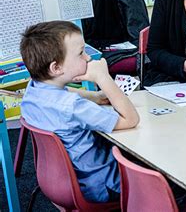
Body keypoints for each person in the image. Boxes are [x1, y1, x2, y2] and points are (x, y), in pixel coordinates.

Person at [20, 21, 140, 203]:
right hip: (104, 184)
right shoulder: (74, 107)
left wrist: (94, 96)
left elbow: (65, 92)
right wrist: (103, 78)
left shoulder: (33, 90)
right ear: (56, 68)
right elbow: (131, 119)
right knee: (170, 182)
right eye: (81, 53)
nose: (87, 58)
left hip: (61, 181)